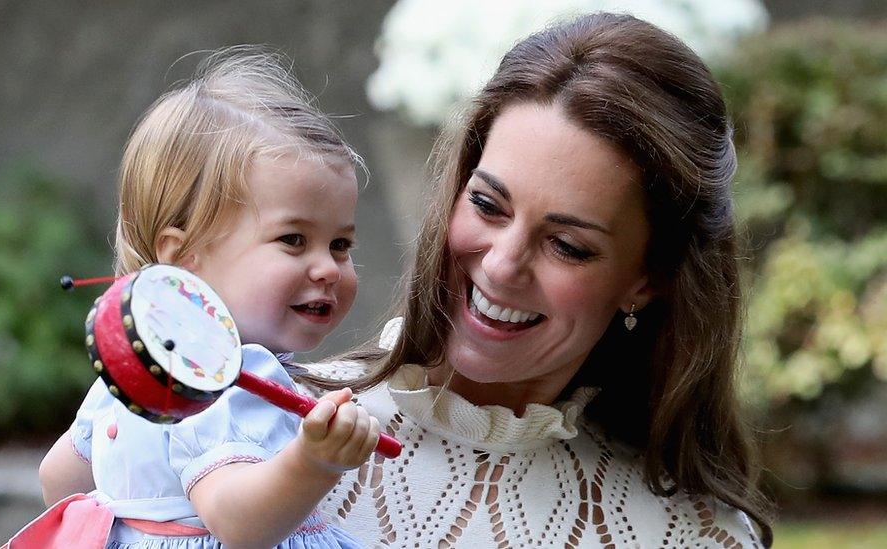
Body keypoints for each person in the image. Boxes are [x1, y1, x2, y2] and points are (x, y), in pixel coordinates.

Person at [306, 12, 774, 548]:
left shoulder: (693, 535)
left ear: (648, 279)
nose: (504, 265)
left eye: (567, 246)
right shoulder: (258, 430)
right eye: (487, 204)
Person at [15, 49, 381, 549]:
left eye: (340, 245)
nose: (326, 268)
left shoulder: (138, 372)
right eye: (293, 240)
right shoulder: (232, 375)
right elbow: (239, 524)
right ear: (183, 258)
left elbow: (59, 480)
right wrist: (313, 462)